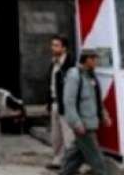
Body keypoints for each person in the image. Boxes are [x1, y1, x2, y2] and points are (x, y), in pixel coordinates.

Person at [60, 49, 112, 175]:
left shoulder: (91, 76)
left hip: (91, 122)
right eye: (94, 59)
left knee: (76, 155)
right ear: (87, 59)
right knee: (96, 156)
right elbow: (69, 101)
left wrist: (104, 115)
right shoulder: (74, 75)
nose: (96, 62)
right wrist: (76, 123)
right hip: (83, 124)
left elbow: (96, 99)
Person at [46, 35, 74, 170]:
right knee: (56, 135)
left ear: (64, 48)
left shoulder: (69, 64)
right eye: (52, 45)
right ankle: (58, 160)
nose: (53, 48)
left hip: (66, 104)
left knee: (68, 135)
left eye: (56, 45)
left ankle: (71, 164)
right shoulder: (54, 63)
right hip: (54, 102)